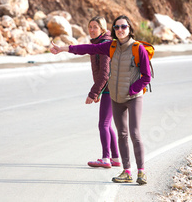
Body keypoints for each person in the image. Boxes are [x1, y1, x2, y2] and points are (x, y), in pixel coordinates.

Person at [50, 15, 151, 185]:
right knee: (122, 134)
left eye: (123, 27)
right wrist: (63, 49)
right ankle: (126, 171)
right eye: (117, 27)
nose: (120, 30)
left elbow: (147, 76)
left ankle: (141, 172)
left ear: (129, 29)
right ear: (113, 30)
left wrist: (132, 89)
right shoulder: (109, 47)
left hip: (133, 97)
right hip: (116, 98)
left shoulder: (137, 48)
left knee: (134, 133)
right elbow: (87, 48)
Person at [85, 16, 120, 169]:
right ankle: (116, 158)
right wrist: (98, 92)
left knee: (103, 124)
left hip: (111, 88)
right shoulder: (98, 43)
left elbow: (105, 73)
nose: (92, 30)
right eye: (90, 27)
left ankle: (105, 158)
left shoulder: (105, 45)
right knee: (108, 124)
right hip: (109, 88)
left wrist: (93, 93)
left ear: (102, 29)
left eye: (95, 27)